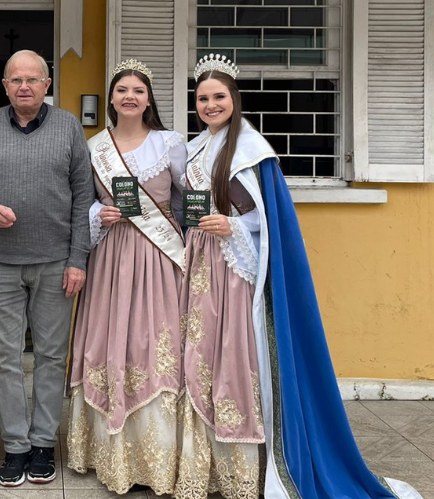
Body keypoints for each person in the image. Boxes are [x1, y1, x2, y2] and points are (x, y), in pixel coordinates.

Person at [177, 53, 422, 499]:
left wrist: (232, 226)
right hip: (201, 270)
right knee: (201, 362)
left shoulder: (253, 150)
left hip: (237, 271)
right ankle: (206, 466)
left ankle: (244, 469)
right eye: (202, 98)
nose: (210, 105)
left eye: (218, 97)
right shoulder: (193, 147)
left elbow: (271, 220)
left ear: (234, 98)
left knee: (236, 361)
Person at [0, 49, 95, 487]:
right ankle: (15, 446)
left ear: (47, 84)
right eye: (15, 79)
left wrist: (78, 260)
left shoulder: (69, 126)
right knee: (5, 358)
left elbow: (83, 198)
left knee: (52, 357)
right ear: (4, 86)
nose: (24, 86)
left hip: (55, 264)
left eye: (33, 79)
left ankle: (42, 444)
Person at [65, 59, 187, 494]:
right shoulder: (93, 146)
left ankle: (156, 454)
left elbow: (188, 200)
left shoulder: (171, 144)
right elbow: (81, 205)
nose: (130, 96)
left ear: (148, 98)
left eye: (138, 89)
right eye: (122, 90)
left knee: (155, 344)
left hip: (158, 258)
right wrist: (102, 212)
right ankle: (107, 452)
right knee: (110, 339)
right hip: (111, 259)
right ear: (112, 98)